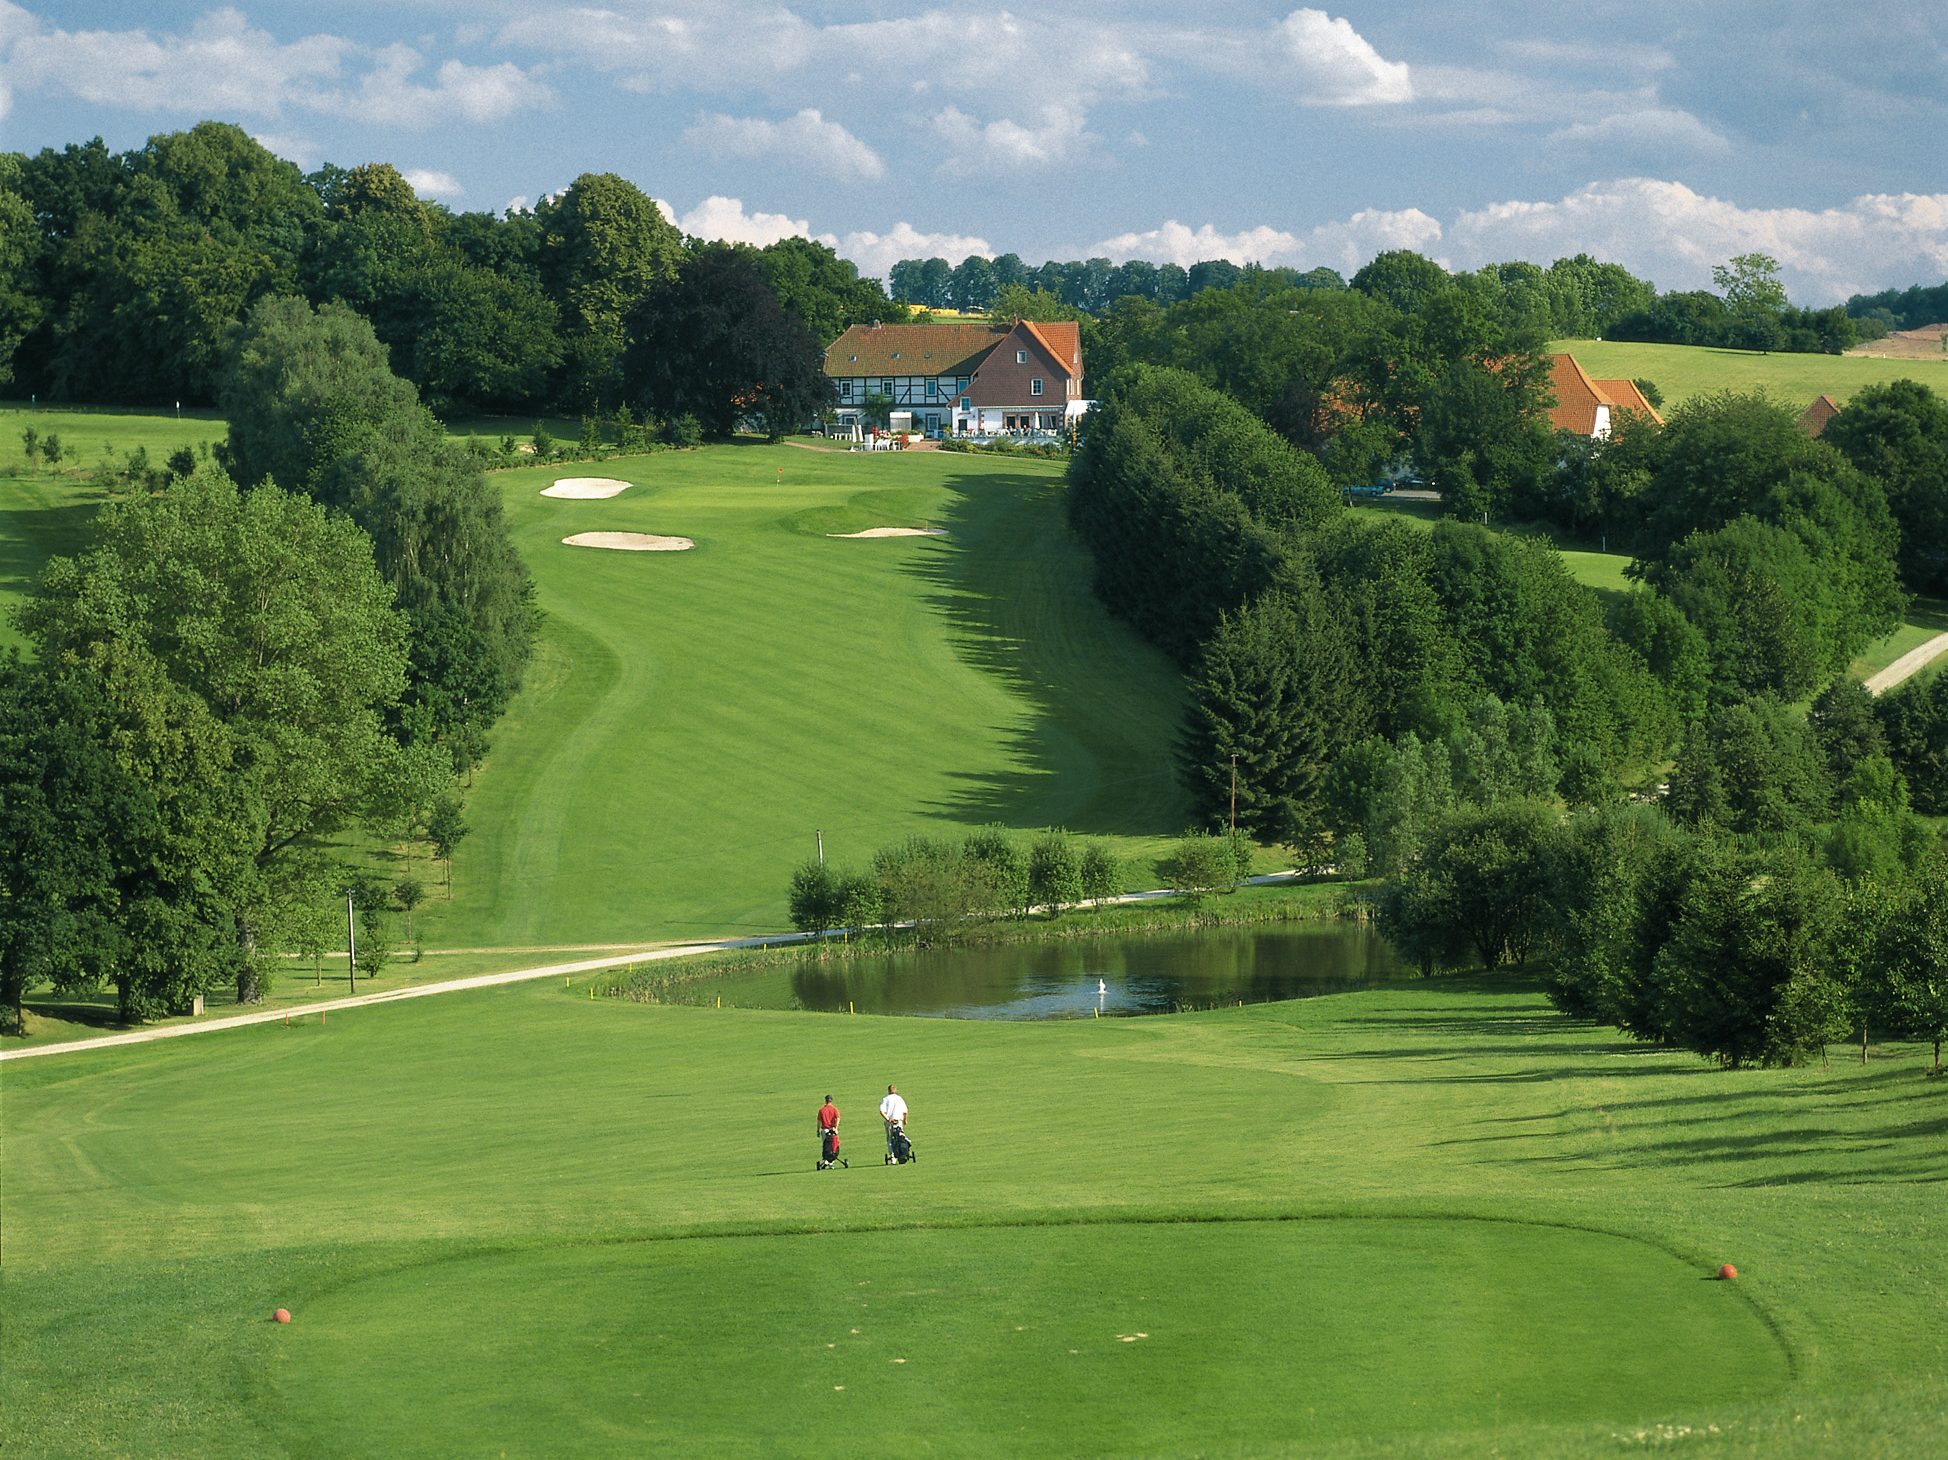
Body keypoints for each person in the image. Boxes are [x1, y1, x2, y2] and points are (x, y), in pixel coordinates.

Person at [879, 1083, 910, 1164]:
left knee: (890, 1139)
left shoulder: (885, 1099)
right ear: (895, 1090)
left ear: (888, 1090)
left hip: (890, 1121)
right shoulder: (899, 1099)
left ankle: (893, 1156)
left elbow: (882, 1111)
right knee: (900, 1136)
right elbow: (905, 1111)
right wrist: (905, 1120)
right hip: (899, 1120)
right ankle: (902, 1152)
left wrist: (888, 1119)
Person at [816, 1094, 845, 1170]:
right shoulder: (834, 1109)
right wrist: (836, 1128)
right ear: (831, 1100)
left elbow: (819, 1121)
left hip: (825, 1130)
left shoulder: (821, 1110)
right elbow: (838, 1118)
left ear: (825, 1100)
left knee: (826, 1145)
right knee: (833, 1146)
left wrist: (818, 1130)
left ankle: (826, 1160)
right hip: (833, 1130)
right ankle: (831, 1162)